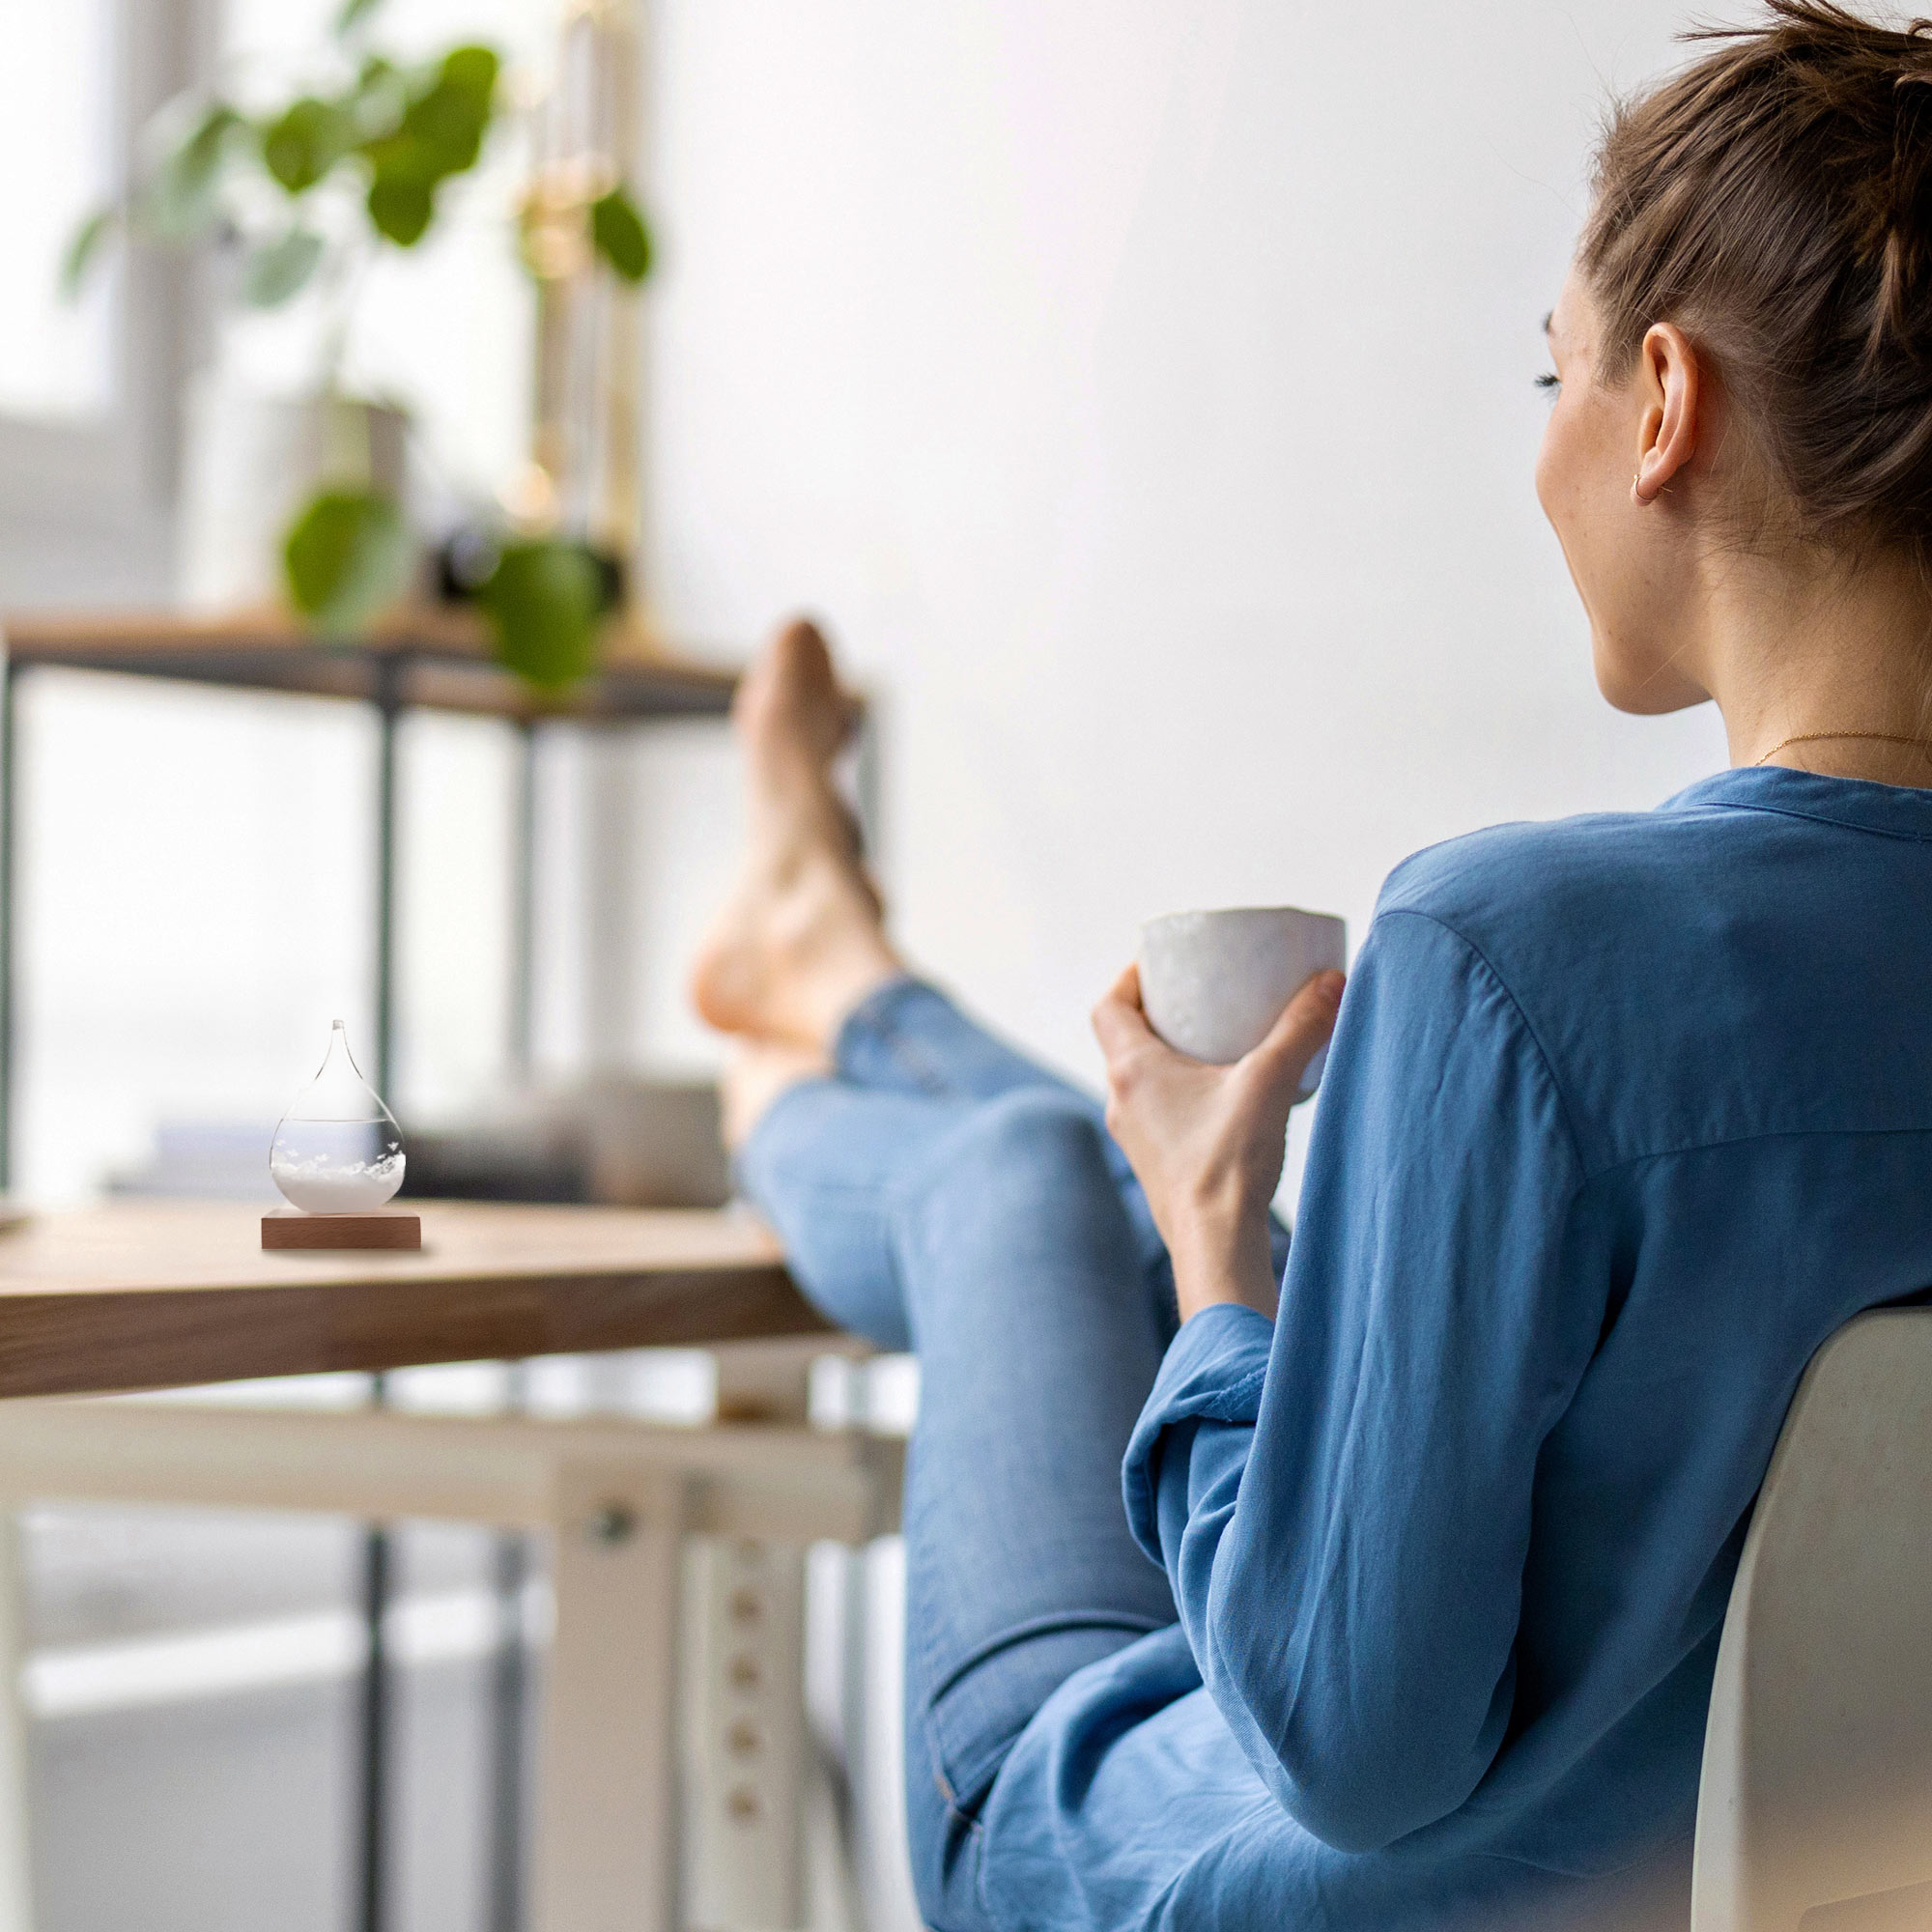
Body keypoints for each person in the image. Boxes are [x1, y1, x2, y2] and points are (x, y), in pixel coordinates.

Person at [690, 5, 1932, 1926]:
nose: (1545, 455)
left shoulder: (1511, 962)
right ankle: (839, 964)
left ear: (1664, 404)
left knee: (1024, 1178)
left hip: (1229, 1884)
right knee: (1091, 1168)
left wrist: (1215, 1257)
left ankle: (811, 1032)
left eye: (1554, 380)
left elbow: (1348, 1752)